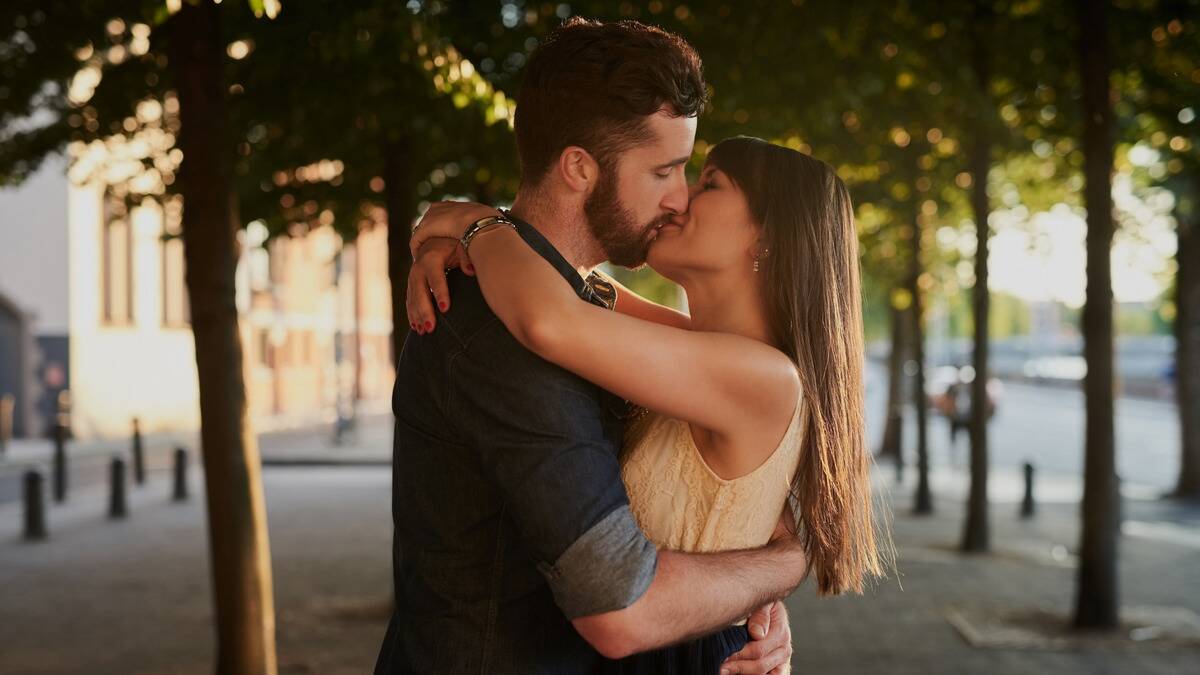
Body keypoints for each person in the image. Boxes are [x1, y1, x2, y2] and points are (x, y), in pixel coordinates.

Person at [375, 19, 809, 675]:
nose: (680, 195)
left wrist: (739, 588)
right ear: (580, 167)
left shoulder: (577, 304)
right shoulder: (508, 327)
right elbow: (618, 602)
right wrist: (780, 564)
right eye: (665, 169)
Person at [406, 134, 892, 673]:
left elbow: (550, 319)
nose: (680, 199)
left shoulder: (764, 377)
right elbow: (573, 287)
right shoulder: (698, 349)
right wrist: (456, 247)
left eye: (709, 184)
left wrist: (478, 224)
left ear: (765, 238)